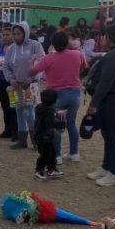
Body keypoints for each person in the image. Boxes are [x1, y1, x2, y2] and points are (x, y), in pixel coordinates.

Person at [85, 25, 115, 187]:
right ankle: (106, 167)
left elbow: (105, 83)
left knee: (114, 136)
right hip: (113, 98)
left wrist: (94, 104)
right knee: (107, 134)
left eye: (105, 36)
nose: (102, 38)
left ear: (112, 38)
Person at [30, 32, 85, 164]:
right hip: (74, 93)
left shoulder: (49, 58)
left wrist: (32, 62)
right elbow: (83, 68)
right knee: (71, 124)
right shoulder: (77, 54)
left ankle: (57, 155)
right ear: (67, 42)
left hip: (56, 95)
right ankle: (74, 153)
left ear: (52, 43)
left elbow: (33, 72)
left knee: (55, 126)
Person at [4, 21, 45, 150]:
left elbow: (42, 63)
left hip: (30, 86)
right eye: (14, 34)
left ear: (25, 33)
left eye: (19, 34)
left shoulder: (35, 45)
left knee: (29, 112)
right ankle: (22, 140)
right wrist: (11, 80)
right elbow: (6, 66)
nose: (16, 37)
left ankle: (36, 140)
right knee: (18, 111)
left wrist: (31, 78)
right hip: (15, 86)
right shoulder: (11, 49)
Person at [33, 89, 67, 181]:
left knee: (51, 153)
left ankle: (51, 170)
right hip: (44, 136)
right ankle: (38, 171)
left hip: (42, 135)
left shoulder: (40, 107)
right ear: (54, 100)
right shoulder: (48, 110)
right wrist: (62, 123)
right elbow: (50, 123)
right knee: (45, 154)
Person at [0, 27, 18, 140]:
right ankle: (7, 129)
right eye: (3, 35)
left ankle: (16, 131)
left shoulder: (16, 48)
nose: (5, 37)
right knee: (5, 105)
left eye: (8, 34)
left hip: (12, 82)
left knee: (14, 105)